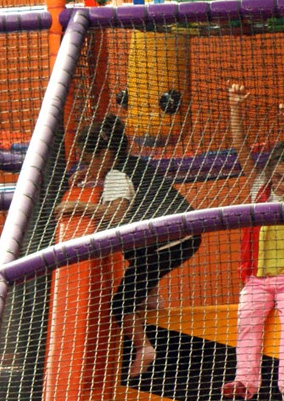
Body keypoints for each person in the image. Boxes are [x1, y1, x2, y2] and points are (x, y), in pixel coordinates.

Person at [55, 114, 202, 378]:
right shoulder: (132, 164)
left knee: (120, 304)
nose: (87, 168)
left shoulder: (116, 174)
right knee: (134, 248)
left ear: (106, 155)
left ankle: (144, 347)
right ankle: (152, 298)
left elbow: (117, 214)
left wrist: (78, 206)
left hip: (169, 242)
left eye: (89, 162)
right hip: (183, 236)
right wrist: (91, 179)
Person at [222, 83, 284, 400]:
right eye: (279, 177)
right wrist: (235, 108)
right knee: (247, 322)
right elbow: (241, 148)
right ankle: (244, 382)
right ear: (270, 175)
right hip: (256, 279)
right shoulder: (260, 187)